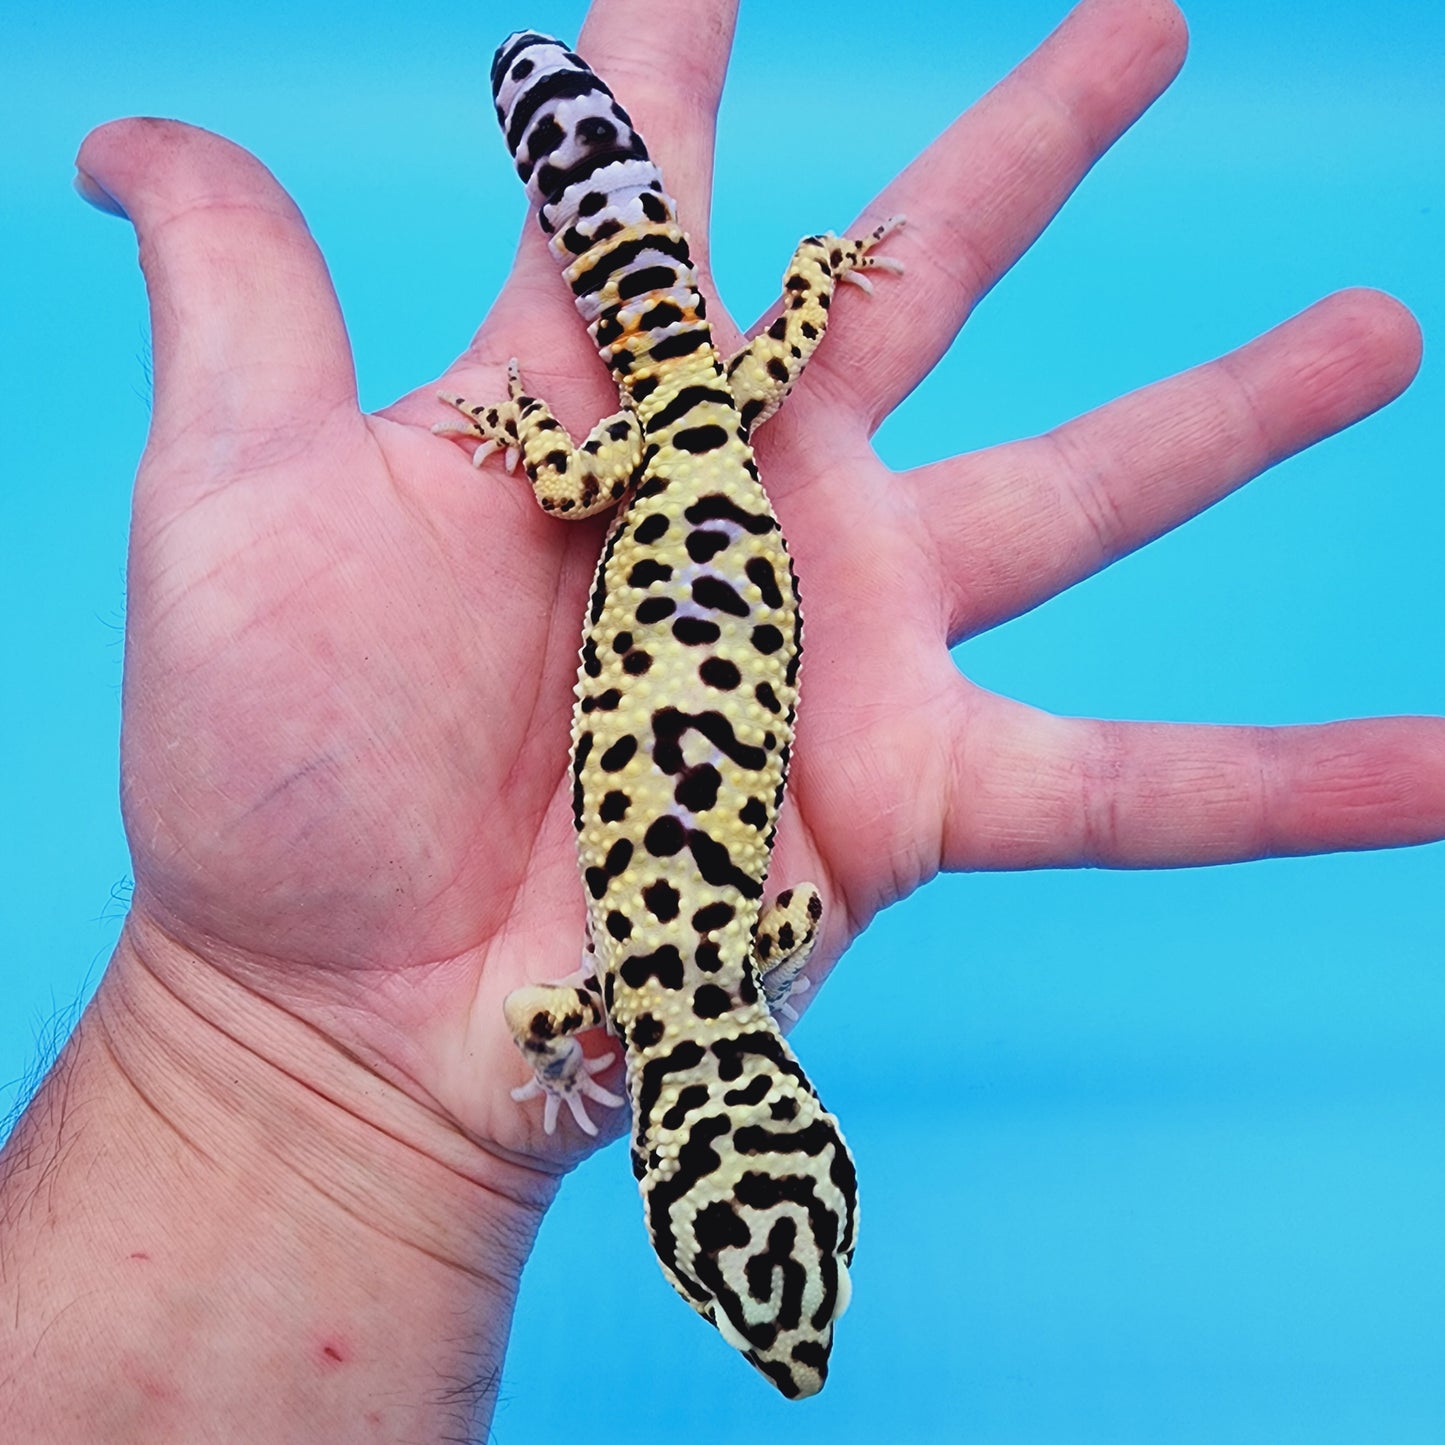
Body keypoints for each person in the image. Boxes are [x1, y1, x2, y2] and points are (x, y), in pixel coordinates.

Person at [2, 0, 1438, 1438]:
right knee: (573, 467)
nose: (793, 1347)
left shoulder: (748, 964)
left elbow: (745, 946)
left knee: (575, 468)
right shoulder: (611, 1006)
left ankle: (775, 263)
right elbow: (550, 1019)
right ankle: (697, 262)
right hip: (673, 455)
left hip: (684, 449)